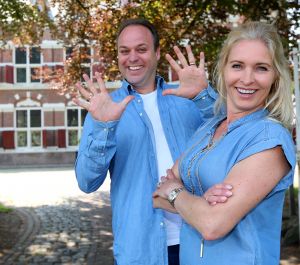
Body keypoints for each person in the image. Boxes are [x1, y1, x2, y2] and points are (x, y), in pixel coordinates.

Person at [74, 18, 231, 265]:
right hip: (140, 249)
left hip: (199, 242)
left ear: (157, 53)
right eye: (124, 51)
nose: (132, 57)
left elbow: (233, 136)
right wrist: (105, 127)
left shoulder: (188, 98)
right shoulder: (104, 110)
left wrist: (202, 95)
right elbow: (86, 182)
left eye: (141, 49)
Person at [153, 21, 296, 265]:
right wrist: (198, 203)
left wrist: (177, 191)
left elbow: (212, 224)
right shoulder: (209, 127)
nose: (247, 79)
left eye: (261, 68)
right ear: (223, 69)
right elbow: (157, 196)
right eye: (238, 66)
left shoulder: (270, 140)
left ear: (275, 77)